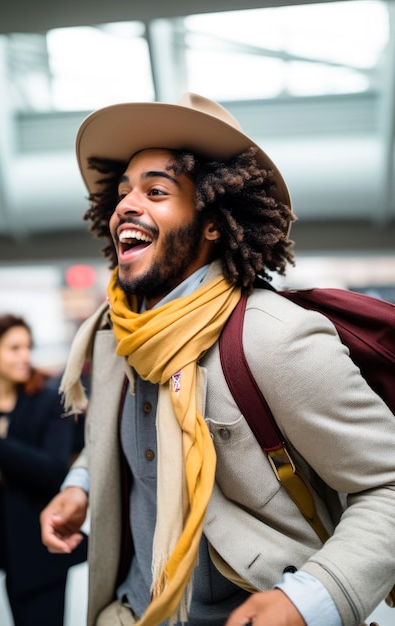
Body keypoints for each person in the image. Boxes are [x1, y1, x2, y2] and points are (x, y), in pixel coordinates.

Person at [39, 93, 395, 626]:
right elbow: (115, 438)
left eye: (155, 191)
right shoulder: (116, 333)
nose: (125, 207)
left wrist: (312, 599)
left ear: (212, 223)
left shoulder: (276, 337)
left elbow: (387, 484)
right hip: (130, 612)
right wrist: (80, 485)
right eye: (123, 192)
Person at [0, 313, 87, 626]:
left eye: (28, 347)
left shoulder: (50, 401)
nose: (25, 356)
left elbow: (53, 470)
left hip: (34, 545)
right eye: (14, 348)